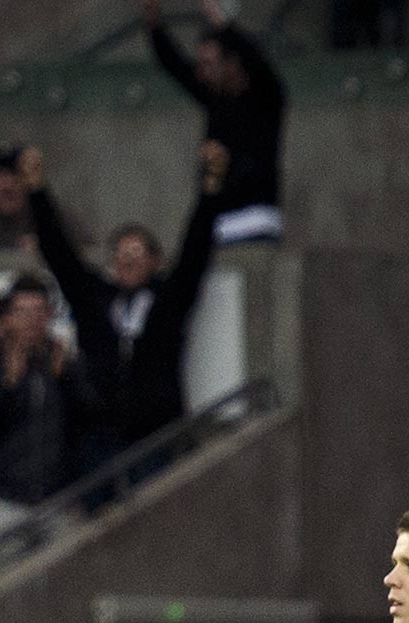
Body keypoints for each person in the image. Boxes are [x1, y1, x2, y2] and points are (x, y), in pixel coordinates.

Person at [23, 142, 227, 458]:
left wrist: (210, 190)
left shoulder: (167, 302)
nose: (127, 262)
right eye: (121, 255)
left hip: (158, 436)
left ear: (155, 262)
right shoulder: (96, 298)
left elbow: (194, 253)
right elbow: (60, 254)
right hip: (100, 438)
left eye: (137, 254)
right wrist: (37, 192)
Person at [142, 0, 284, 245]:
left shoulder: (266, 98)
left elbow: (255, 59)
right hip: (219, 220)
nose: (202, 73)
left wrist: (221, 22)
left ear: (232, 63)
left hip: (255, 218)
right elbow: (175, 65)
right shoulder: (215, 99)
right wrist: (153, 21)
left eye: (209, 64)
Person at [0, 278, 98, 545]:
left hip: (58, 499)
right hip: (7, 499)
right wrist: (8, 385)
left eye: (38, 311)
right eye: (22, 311)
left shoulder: (63, 361)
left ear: (49, 315)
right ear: (10, 317)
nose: (30, 319)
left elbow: (89, 416)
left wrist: (65, 379)